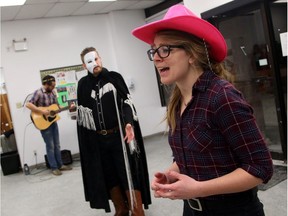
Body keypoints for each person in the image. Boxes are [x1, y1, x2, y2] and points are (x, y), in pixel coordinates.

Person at [132, 4, 273, 216]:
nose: (156, 57)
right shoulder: (178, 102)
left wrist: (198, 188)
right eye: (153, 50)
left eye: (165, 49)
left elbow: (261, 168)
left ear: (192, 54)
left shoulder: (222, 97)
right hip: (192, 210)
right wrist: (172, 173)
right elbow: (189, 156)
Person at [76, 47, 151, 215]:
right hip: (98, 141)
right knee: (108, 174)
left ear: (101, 59)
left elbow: (126, 103)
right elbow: (82, 115)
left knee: (128, 172)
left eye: (96, 59)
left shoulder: (114, 78)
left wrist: (128, 123)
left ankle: (137, 210)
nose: (95, 63)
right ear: (83, 66)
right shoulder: (83, 85)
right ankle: (121, 209)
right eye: (89, 61)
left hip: (120, 137)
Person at [26, 75, 72, 176]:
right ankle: (54, 167)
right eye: (52, 85)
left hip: (53, 122)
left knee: (57, 144)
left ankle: (60, 165)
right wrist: (42, 111)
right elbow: (28, 104)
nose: (53, 88)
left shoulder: (53, 92)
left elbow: (56, 107)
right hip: (43, 123)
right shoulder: (38, 92)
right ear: (46, 84)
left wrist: (68, 107)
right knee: (50, 146)